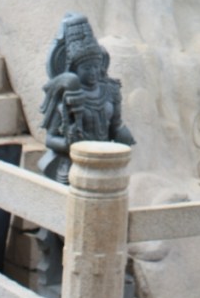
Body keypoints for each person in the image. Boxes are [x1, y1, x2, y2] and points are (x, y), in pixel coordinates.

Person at [39, 11, 135, 184]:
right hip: (74, 165)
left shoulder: (110, 90)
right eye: (86, 68)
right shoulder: (67, 95)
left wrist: (123, 135)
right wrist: (68, 143)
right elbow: (50, 139)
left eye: (96, 66)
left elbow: (115, 125)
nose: (93, 73)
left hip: (105, 161)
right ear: (74, 69)